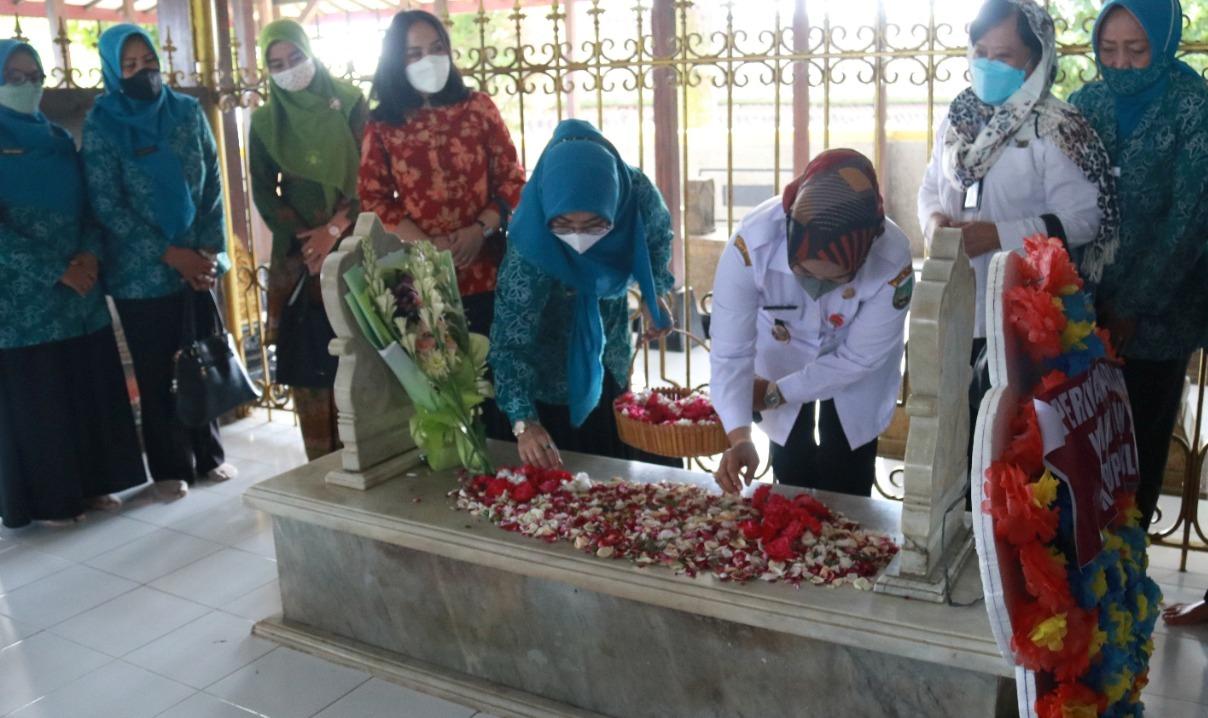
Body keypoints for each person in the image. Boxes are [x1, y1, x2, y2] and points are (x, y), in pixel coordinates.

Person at [917, 0, 1118, 459]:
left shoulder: (1058, 127)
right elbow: (930, 186)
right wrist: (932, 220)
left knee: (1006, 449)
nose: (987, 64)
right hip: (957, 302)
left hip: (1023, 315)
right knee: (954, 439)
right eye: (980, 50)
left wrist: (999, 235)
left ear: (1034, 59)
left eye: (1003, 55)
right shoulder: (958, 120)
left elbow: (1087, 218)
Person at [1070, 0, 1208, 540]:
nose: (1121, 64)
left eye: (1137, 49)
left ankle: (1124, 577)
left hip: (1158, 318)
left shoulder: (1193, 106)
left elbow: (1191, 219)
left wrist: (1131, 306)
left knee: (1136, 455)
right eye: (1108, 50)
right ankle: (1078, 578)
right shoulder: (1087, 102)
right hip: (1083, 311)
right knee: (1080, 449)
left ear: (1165, 40)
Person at [82, 24, 234, 500]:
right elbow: (106, 204)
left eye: (148, 62)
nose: (142, 72)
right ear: (113, 70)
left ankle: (209, 456)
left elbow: (212, 185)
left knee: (202, 361)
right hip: (140, 273)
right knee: (156, 371)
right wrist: (171, 254)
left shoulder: (187, 112)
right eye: (129, 66)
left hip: (197, 266)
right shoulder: (102, 124)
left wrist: (208, 254)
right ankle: (170, 468)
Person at [359, 9, 526, 439]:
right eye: (413, 53)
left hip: (489, 271)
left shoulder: (478, 108)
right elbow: (373, 197)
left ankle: (514, 481)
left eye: (436, 49)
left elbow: (513, 179)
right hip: (425, 280)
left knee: (501, 389)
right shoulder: (382, 124)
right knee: (448, 393)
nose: (428, 59)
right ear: (396, 61)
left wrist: (480, 229)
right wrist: (425, 245)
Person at [0, 40, 146, 527]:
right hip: (22, 301)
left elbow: (90, 204)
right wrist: (53, 268)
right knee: (40, 400)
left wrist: (86, 256)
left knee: (85, 386)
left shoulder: (59, 139)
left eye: (33, 75)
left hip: (80, 291)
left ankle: (95, 483)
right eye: (13, 77)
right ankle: (51, 500)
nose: (26, 85)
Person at [711, 149, 912, 496]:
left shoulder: (892, 259)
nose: (816, 289)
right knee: (791, 464)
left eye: (836, 279)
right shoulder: (751, 245)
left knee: (848, 469)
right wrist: (739, 436)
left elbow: (858, 359)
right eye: (802, 272)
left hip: (854, 370)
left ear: (862, 257)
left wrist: (776, 394)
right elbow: (729, 353)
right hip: (783, 349)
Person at [489, 119, 674, 469]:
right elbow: (510, 342)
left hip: (607, 351)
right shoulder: (531, 246)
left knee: (610, 469)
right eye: (564, 225)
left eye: (594, 225)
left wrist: (654, 292)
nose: (578, 239)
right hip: (543, 377)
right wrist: (524, 422)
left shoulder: (634, 194)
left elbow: (658, 238)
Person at [249, 19, 365, 461]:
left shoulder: (351, 103)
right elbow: (262, 188)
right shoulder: (263, 122)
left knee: (363, 355)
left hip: (355, 244)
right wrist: (307, 243)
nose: (288, 69)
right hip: (298, 259)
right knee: (311, 368)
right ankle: (321, 467)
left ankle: (370, 459)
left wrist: (334, 229)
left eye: (295, 57)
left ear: (310, 52)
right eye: (276, 63)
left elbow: (370, 175)